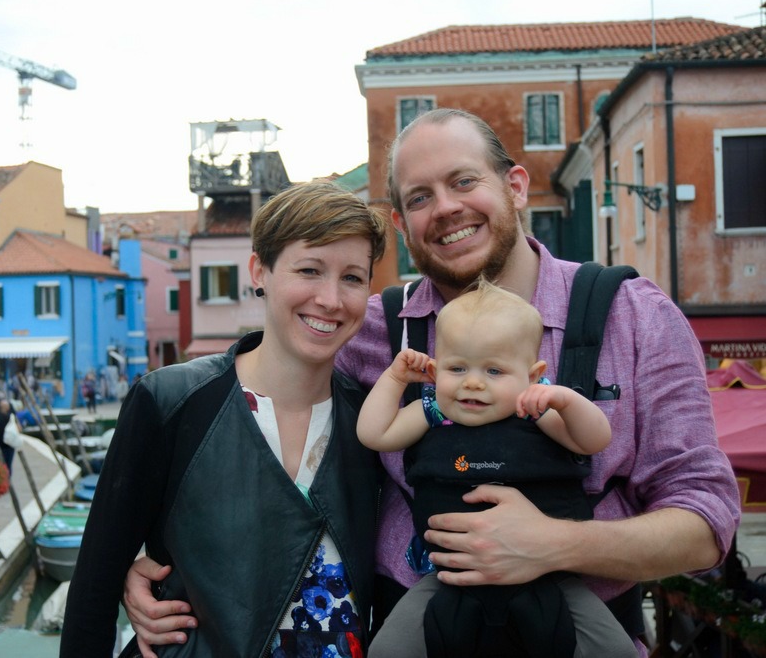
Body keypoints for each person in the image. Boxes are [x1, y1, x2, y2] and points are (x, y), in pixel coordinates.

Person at [121, 108, 741, 656]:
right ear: (400, 222)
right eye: (419, 197)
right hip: (419, 628)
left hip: (575, 630)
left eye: (464, 181)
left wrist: (555, 544)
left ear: (516, 185)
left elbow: (706, 522)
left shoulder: (633, 317)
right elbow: (246, 415)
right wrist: (157, 558)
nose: (445, 208)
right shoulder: (365, 329)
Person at [60, 181, 389, 657]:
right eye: (310, 270)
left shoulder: (373, 424)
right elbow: (93, 588)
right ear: (260, 270)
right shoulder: (170, 402)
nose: (331, 299)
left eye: (353, 278)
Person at [358, 279, 634, 657]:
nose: (472, 383)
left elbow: (594, 440)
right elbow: (375, 433)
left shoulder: (536, 412)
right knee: (388, 649)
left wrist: (566, 401)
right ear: (436, 369)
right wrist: (394, 378)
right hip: (450, 577)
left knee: (615, 649)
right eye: (457, 368)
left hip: (547, 578)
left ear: (533, 376)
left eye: (493, 371)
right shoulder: (432, 412)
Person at [0, 398, 16, 475]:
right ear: (8, 408)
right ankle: (8, 480)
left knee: (0, 464)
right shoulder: (11, 418)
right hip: (10, 445)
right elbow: (19, 429)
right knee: (9, 464)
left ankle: (2, 480)